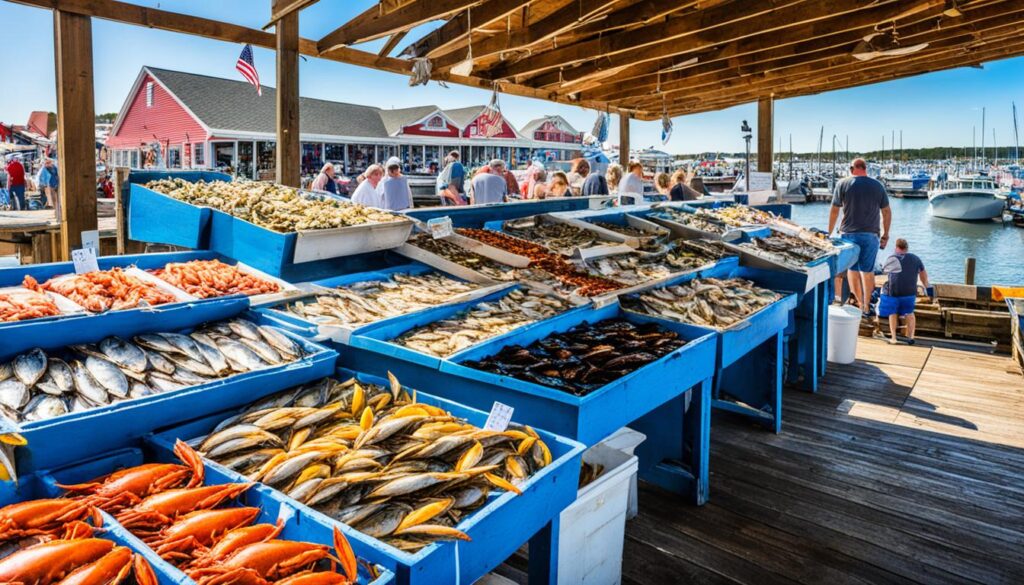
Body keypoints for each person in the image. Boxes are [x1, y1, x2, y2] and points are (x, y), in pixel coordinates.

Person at [828, 158, 892, 318]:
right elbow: (886, 212)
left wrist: (828, 233)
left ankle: (859, 302)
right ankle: (866, 307)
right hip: (871, 235)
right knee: (868, 271)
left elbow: (835, 210)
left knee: (852, 269)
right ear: (865, 169)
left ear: (852, 169)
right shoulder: (877, 186)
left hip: (848, 234)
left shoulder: (843, 184)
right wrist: (886, 234)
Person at [879, 238, 932, 345]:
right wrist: (926, 286)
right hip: (909, 292)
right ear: (907, 248)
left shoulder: (891, 258)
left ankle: (893, 337)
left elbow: (883, 273)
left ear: (896, 247)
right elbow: (923, 275)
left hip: (894, 292)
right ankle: (911, 336)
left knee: (892, 313)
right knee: (909, 313)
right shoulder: (916, 259)